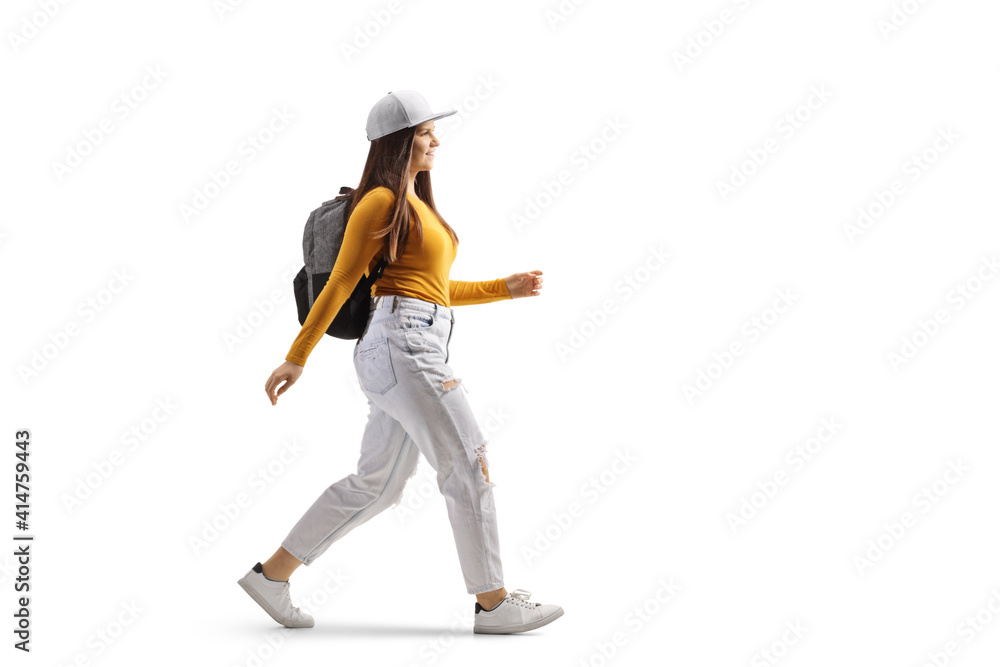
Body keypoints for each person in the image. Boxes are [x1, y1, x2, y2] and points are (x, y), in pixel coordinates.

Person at [237, 90, 564, 635]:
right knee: (468, 462)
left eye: (434, 131)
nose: (436, 140)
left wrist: (505, 288)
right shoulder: (381, 199)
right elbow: (343, 281)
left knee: (378, 485)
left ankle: (272, 576)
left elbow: (431, 289)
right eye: (425, 133)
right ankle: (493, 602)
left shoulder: (415, 203)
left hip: (412, 341)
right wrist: (297, 357)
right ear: (397, 142)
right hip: (402, 345)